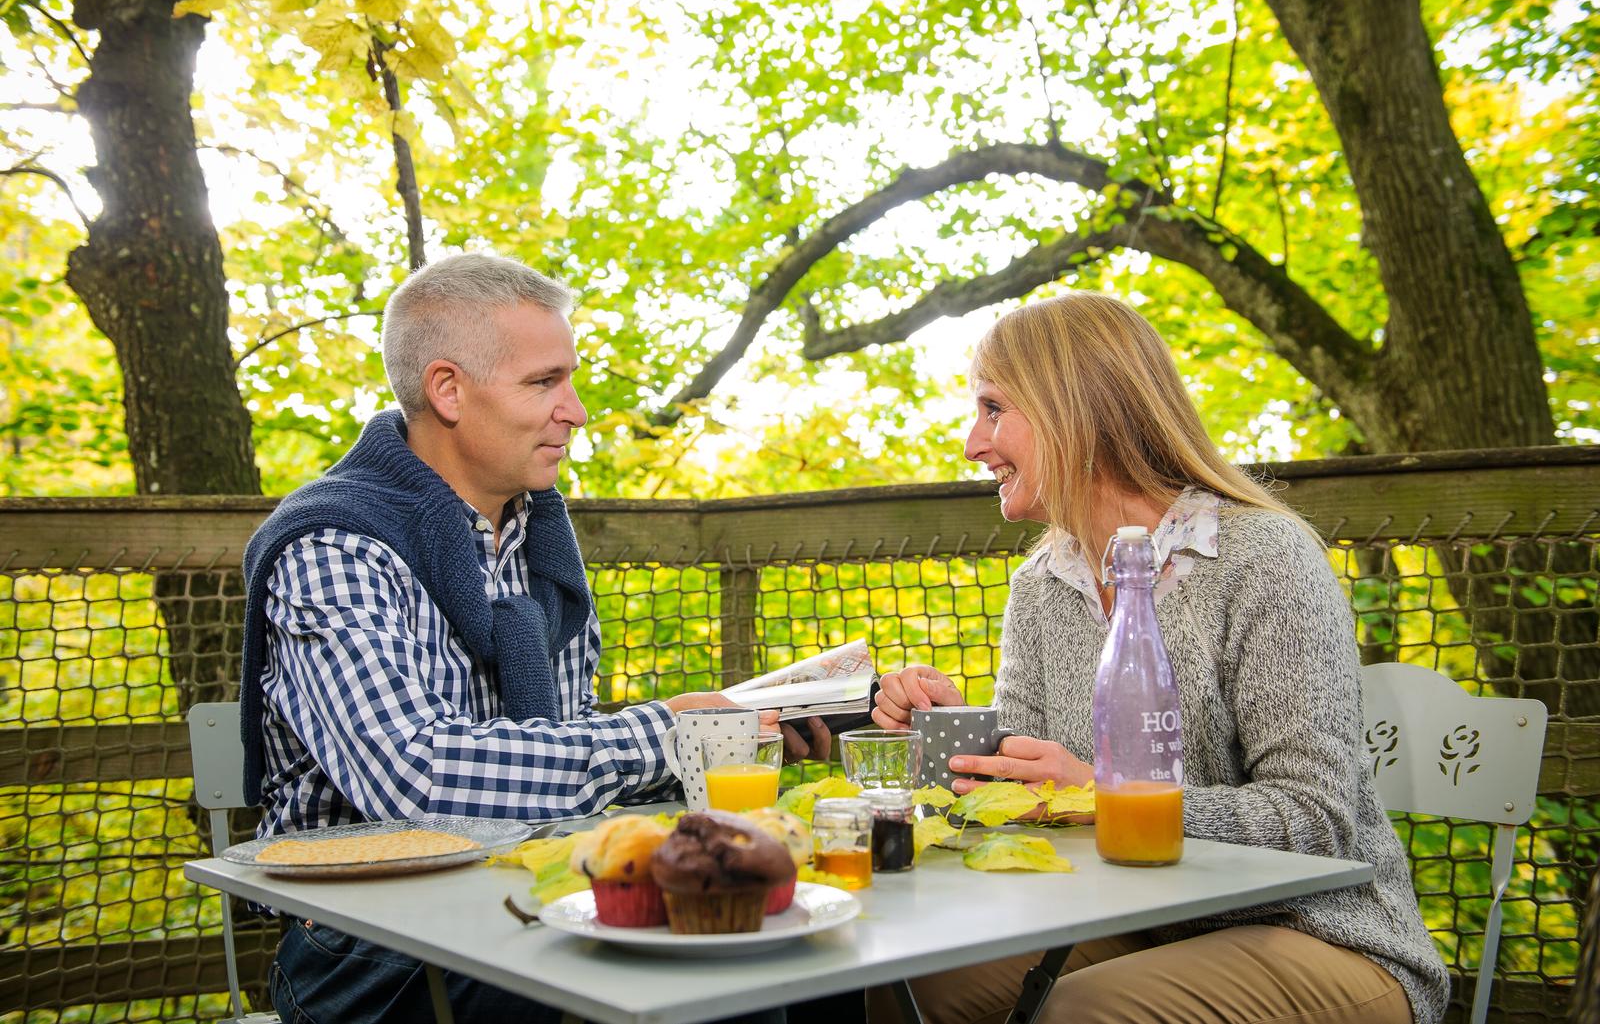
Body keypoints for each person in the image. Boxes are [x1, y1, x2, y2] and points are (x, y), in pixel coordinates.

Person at [238, 252, 821, 1023]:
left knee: (797, 957)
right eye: (545, 382)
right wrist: (667, 732)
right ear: (448, 390)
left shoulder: (535, 541)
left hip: (521, 891)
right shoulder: (334, 547)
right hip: (367, 945)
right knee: (688, 988)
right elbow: (413, 775)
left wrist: (752, 731)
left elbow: (560, 758)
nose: (575, 409)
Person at [870, 293, 1450, 1024]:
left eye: (992, 408)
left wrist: (1102, 798)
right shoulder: (1043, 584)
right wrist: (954, 731)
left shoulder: (1262, 557)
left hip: (1327, 934)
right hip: (1144, 917)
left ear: (1072, 407)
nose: (971, 443)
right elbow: (1025, 799)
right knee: (914, 980)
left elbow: (1316, 818)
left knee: (1084, 1012)